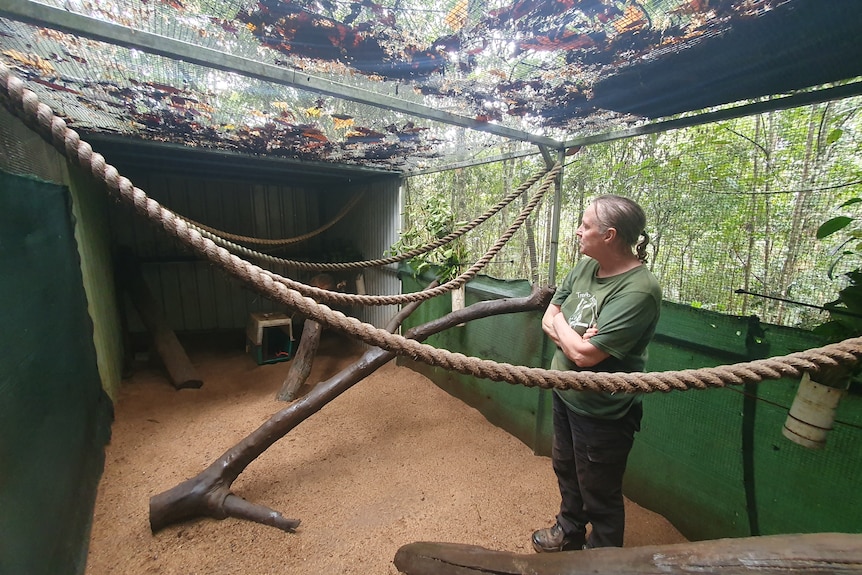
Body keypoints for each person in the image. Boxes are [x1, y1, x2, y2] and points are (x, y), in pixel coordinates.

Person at [532, 194, 662, 552]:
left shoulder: (639, 290)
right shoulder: (586, 266)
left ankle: (603, 558)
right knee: (566, 468)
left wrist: (567, 332)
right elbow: (549, 318)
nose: (578, 231)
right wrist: (571, 332)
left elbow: (584, 356)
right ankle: (569, 531)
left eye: (585, 225)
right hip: (565, 391)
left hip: (603, 410)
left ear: (609, 235)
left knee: (599, 489)